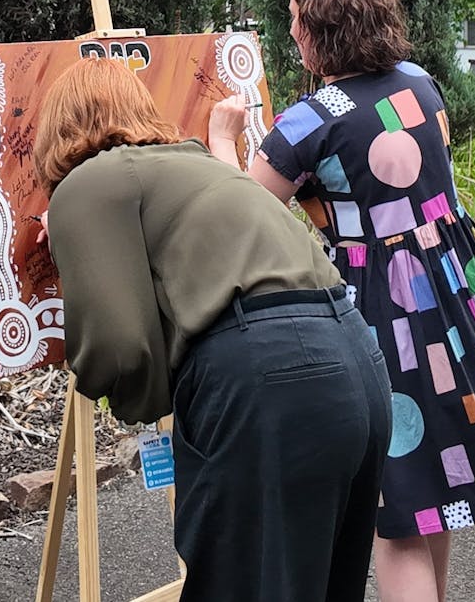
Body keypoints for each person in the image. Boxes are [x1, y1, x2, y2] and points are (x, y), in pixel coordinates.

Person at [209, 0, 475, 602]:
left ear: (321, 27)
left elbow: (241, 215)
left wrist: (224, 141)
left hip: (387, 313)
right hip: (454, 291)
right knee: (429, 495)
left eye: (298, 19)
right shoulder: (418, 81)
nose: (293, 30)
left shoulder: (311, 120)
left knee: (396, 516)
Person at [32, 56, 392, 602]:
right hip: (356, 358)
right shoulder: (200, 163)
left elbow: (119, 349)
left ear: (59, 127)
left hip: (268, 378)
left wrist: (147, 407)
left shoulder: (87, 181)